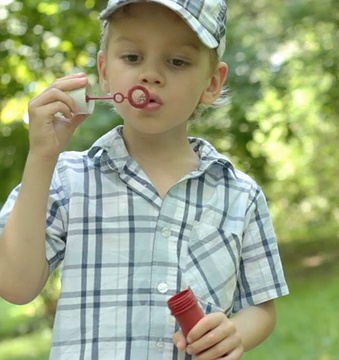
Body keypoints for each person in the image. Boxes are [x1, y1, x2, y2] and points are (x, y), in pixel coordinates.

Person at [0, 0, 289, 358]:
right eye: (133, 58)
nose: (150, 75)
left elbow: (262, 307)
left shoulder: (240, 194)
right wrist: (42, 156)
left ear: (211, 83)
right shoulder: (65, 180)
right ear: (104, 72)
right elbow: (14, 286)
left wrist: (236, 334)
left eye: (177, 61)